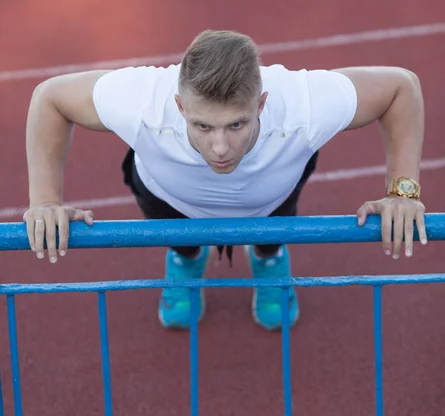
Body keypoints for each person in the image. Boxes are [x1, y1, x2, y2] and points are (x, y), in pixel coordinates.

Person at [23, 30, 427, 331]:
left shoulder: (303, 102)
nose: (219, 148)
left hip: (271, 197)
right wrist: (44, 200)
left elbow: (400, 88)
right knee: (179, 236)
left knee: (272, 232)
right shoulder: (142, 99)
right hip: (168, 196)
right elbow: (50, 97)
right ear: (179, 107)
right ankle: (185, 258)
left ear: (262, 103)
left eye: (236, 124)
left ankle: (269, 259)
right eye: (202, 126)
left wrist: (402, 191)